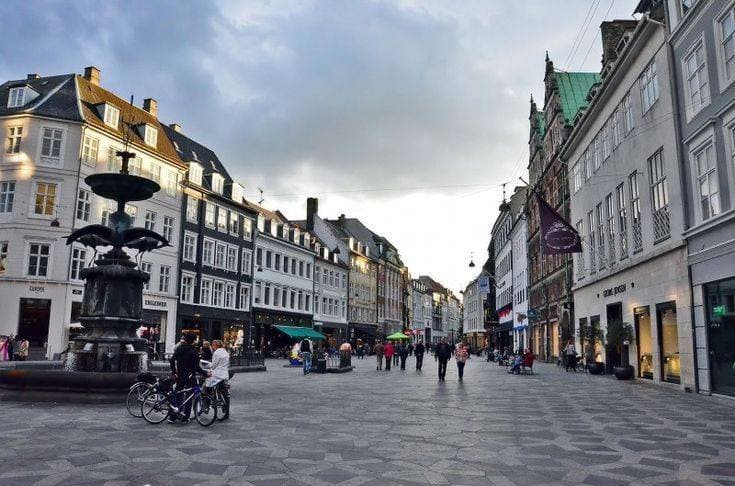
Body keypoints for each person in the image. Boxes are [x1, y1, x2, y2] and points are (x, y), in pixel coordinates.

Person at [168, 333, 208, 423]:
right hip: (190, 376)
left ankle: (173, 416)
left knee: (178, 394)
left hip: (180, 375)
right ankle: (185, 417)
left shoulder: (180, 349)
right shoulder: (193, 351)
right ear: (193, 341)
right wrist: (205, 374)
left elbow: (172, 360)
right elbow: (196, 367)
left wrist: (174, 372)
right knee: (190, 396)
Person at [205, 339, 230, 420]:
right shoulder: (225, 352)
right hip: (224, 374)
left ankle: (207, 404)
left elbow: (214, 365)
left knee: (207, 386)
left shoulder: (216, 353)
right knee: (224, 393)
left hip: (217, 374)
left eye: (213, 345)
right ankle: (227, 411)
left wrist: (208, 366)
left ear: (215, 345)